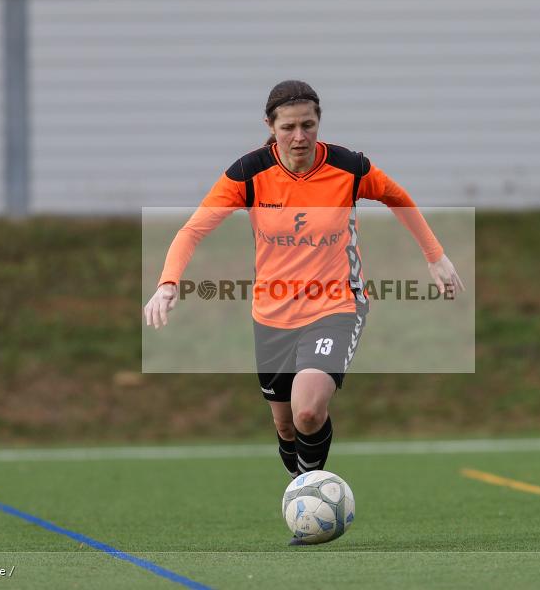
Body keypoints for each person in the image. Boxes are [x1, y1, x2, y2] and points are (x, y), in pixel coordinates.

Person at [144, 80, 463, 540]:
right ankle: (303, 489)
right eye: (288, 127)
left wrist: (435, 256)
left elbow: (397, 196)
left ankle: (310, 496)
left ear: (319, 123)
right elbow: (192, 230)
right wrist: (167, 283)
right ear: (270, 126)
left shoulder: (349, 167)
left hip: (336, 305)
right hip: (271, 316)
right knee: (286, 426)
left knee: (308, 411)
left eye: (308, 125)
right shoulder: (248, 173)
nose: (299, 136)